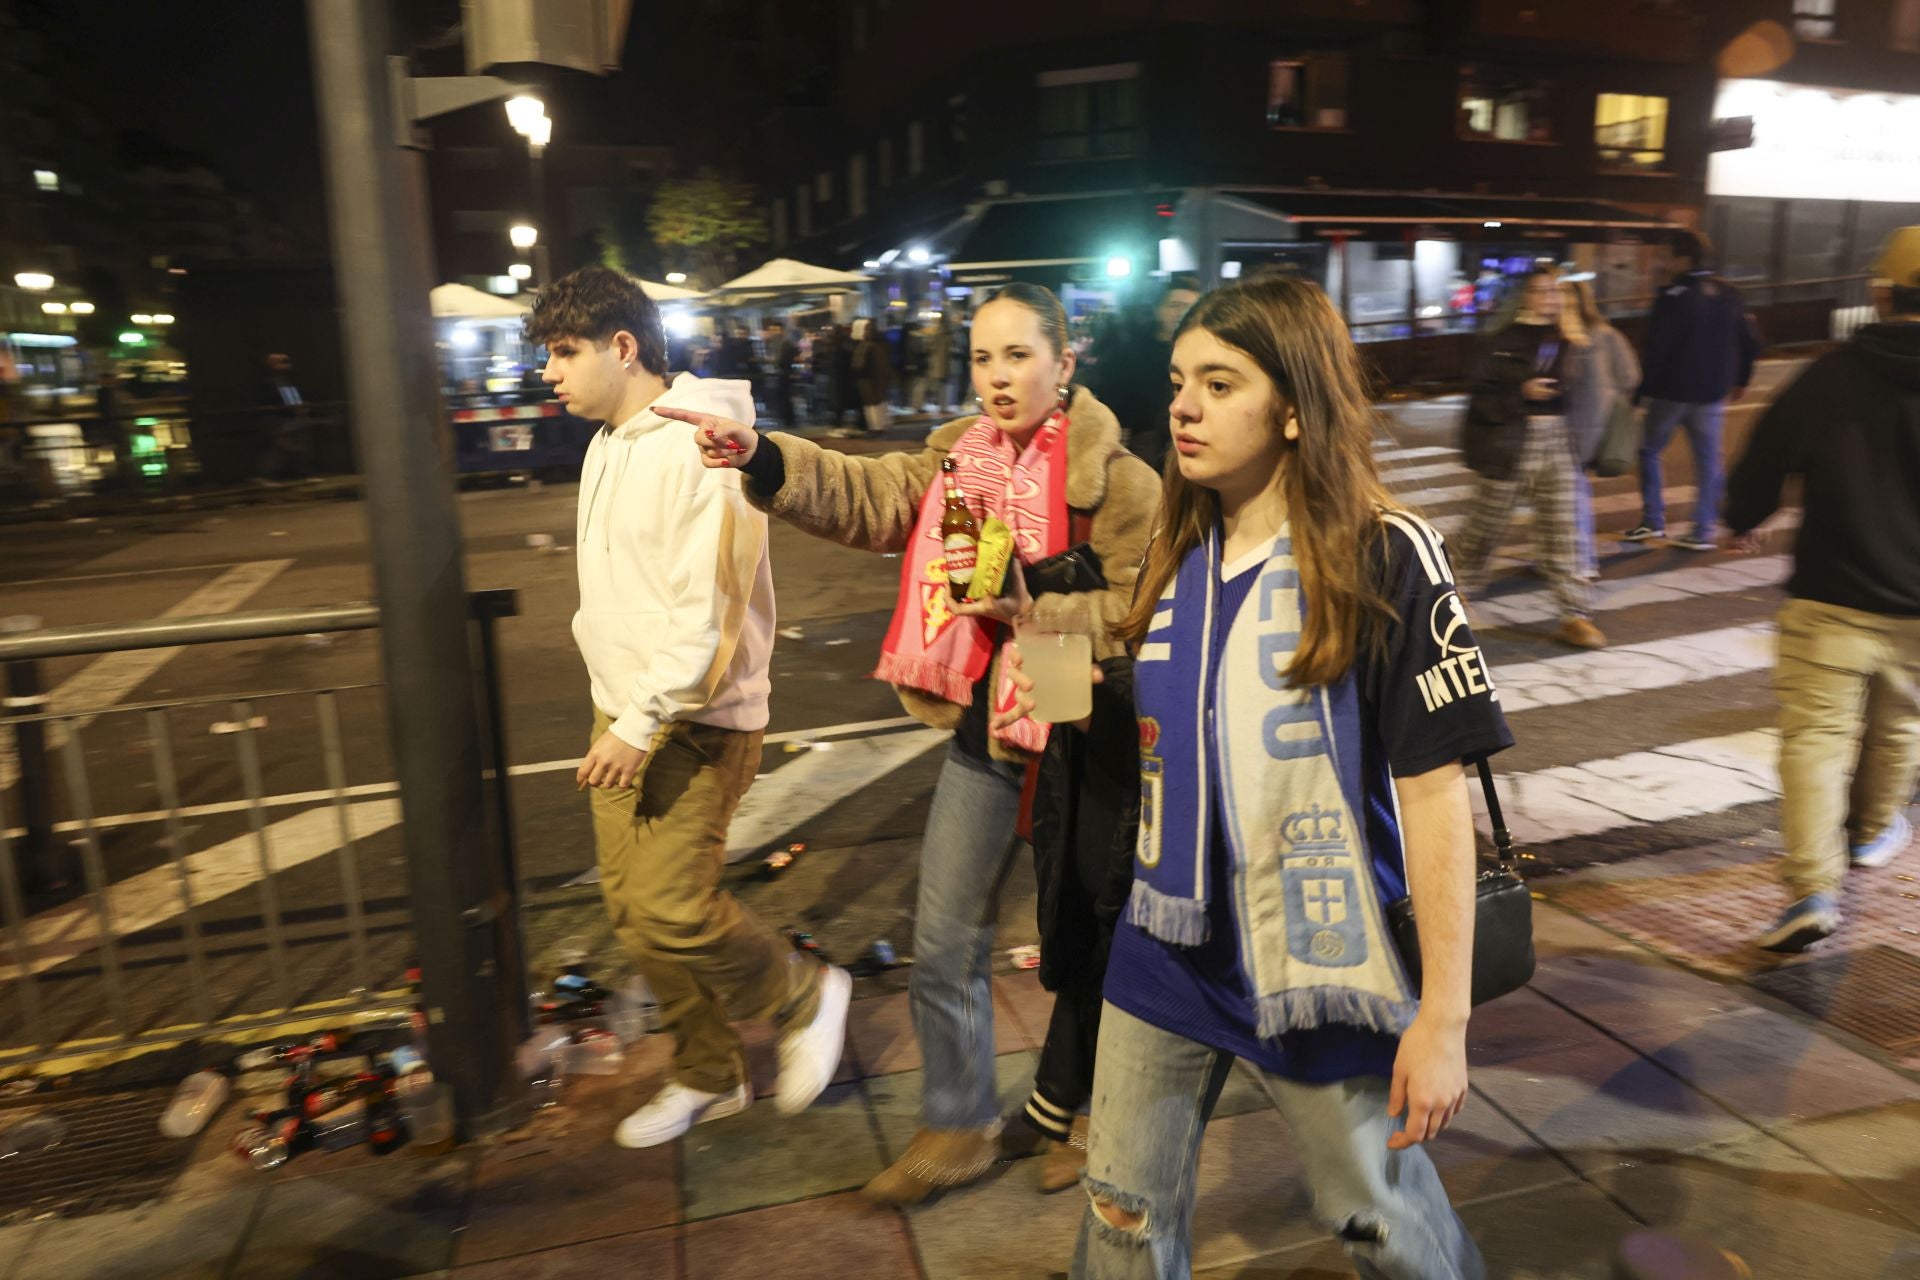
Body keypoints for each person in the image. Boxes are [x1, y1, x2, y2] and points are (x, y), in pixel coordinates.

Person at [998, 275, 1509, 1280]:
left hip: (1319, 961)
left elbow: (1434, 788)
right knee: (1121, 1218)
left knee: (1378, 1218)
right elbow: (1143, 731)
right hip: (1164, 947)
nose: (1183, 404)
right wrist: (1040, 654)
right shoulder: (1176, 548)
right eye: (1180, 378)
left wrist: (1443, 1018)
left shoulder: (1384, 553)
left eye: (1219, 382)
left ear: (1291, 405)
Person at [662, 282, 1160, 1205]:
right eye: (982, 358)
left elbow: (1139, 610)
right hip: (984, 722)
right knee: (944, 938)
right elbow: (864, 495)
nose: (998, 378)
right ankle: (958, 1121)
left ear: (1066, 360)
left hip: (1078, 718)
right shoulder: (955, 462)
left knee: (1092, 931)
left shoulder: (1121, 481)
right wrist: (761, 455)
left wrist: (1034, 608)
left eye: (1019, 355)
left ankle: (1101, 1111)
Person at [526, 267, 851, 1147]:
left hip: (694, 720)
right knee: (634, 917)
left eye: (564, 351)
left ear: (622, 346)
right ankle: (708, 1074)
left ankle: (807, 994)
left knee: (673, 905)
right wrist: (616, 713)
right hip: (623, 712)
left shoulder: (704, 442)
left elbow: (708, 609)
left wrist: (639, 723)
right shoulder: (607, 442)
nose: (548, 372)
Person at [1725, 227, 1920, 953]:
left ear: (1880, 294)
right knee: (1900, 724)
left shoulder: (1830, 375)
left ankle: (1812, 886)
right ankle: (1872, 832)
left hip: (1831, 594)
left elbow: (1763, 462)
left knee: (1814, 741)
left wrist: (1742, 517)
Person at [1454, 268, 1605, 649]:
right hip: (1509, 439)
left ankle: (1575, 615)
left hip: (1559, 441)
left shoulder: (1570, 338)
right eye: (1541, 291)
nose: (1549, 299)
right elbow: (1480, 395)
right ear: (1525, 296)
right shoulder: (1497, 339)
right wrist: (1521, 392)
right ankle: (1452, 596)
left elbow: (1593, 393)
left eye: (1555, 292)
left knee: (1564, 526)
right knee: (1483, 529)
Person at [1623, 230, 1763, 552]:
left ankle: (1653, 521)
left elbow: (1657, 351)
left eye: (1666, 255)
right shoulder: (1729, 293)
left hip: (1672, 392)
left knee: (1648, 450)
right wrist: (1742, 379)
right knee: (1708, 461)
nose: (1661, 262)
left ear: (1683, 260)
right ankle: (1703, 530)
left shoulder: (1672, 296)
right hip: (1713, 392)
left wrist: (1639, 395)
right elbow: (1750, 341)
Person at [1563, 279, 1642, 580]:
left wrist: (1606, 400)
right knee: (1569, 495)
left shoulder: (1593, 336)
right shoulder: (1601, 335)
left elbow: (1630, 376)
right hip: (1575, 427)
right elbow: (1629, 376)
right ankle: (1570, 557)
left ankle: (1581, 561)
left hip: (1579, 430)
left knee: (1573, 497)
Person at [854, 317, 893, 436]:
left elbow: (859, 365)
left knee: (872, 405)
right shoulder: (881, 344)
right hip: (877, 378)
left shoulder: (866, 346)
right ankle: (880, 426)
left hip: (868, 380)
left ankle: (876, 428)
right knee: (878, 404)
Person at [927, 311, 955, 415]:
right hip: (945, 362)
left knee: (939, 386)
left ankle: (940, 405)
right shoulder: (948, 334)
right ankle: (944, 406)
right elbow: (951, 349)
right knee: (945, 386)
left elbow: (930, 347)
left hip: (936, 363)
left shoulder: (935, 333)